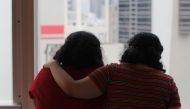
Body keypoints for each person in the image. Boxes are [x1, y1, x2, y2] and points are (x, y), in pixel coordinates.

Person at [45, 32, 181, 109]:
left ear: (129, 49)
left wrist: (53, 65)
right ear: (157, 54)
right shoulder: (168, 83)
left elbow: (72, 88)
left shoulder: (112, 72)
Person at [29, 31, 106, 109]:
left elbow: (36, 102)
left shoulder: (45, 74)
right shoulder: (99, 78)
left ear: (65, 49)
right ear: (97, 53)